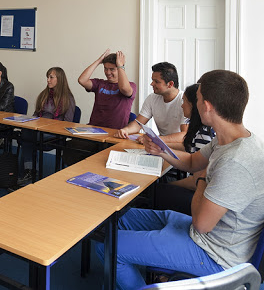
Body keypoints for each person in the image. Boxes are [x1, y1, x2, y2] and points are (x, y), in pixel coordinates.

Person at [96, 70, 264, 289]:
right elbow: (193, 162)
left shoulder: (235, 161)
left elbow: (202, 224)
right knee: (116, 218)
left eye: (199, 97)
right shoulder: (229, 139)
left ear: (207, 106)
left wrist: (203, 179)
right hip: (205, 237)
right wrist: (161, 150)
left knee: (109, 248)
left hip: (214, 254)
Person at [64, 49, 136, 166]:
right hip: (94, 132)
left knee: (101, 162)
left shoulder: (131, 86)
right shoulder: (100, 83)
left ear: (120, 69)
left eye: (112, 69)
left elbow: (124, 89)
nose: (108, 72)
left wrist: (120, 66)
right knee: (71, 147)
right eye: (105, 68)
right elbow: (82, 80)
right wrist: (99, 61)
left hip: (114, 135)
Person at [154, 83, 215, 215]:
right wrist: (160, 145)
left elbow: (195, 183)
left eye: (184, 101)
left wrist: (169, 186)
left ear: (195, 105)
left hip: (200, 197)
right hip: (200, 190)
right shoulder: (200, 130)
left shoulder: (204, 134)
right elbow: (188, 147)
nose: (182, 105)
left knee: (154, 191)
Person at [18, 67, 75, 181]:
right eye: (47, 77)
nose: (48, 80)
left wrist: (48, 126)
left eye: (51, 77)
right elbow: (36, 114)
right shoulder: (44, 94)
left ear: (59, 79)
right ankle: (31, 170)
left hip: (54, 133)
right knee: (26, 133)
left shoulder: (68, 98)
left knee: (29, 136)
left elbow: (68, 122)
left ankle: (31, 171)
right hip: (39, 129)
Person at [114, 62, 187, 144]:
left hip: (179, 147)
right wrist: (125, 130)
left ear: (170, 84)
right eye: (152, 80)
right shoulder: (152, 98)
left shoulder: (185, 101)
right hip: (161, 145)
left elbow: (184, 135)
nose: (151, 84)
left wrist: (155, 139)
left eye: (156, 81)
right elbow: (138, 124)